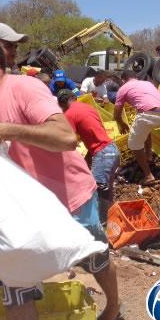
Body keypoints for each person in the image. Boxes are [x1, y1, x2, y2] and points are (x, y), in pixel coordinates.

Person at [0, 36, 121, 320]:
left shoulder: (24, 88)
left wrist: (6, 129)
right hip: (22, 212)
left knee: (95, 258)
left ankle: (113, 307)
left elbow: (65, 138)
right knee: (16, 286)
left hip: (69, 196)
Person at [58, 89, 120, 223]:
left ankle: (101, 223)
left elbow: (68, 140)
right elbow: (93, 132)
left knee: (98, 188)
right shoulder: (88, 107)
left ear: (62, 104)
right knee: (106, 190)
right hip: (112, 150)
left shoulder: (69, 113)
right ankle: (110, 219)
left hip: (103, 153)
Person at [114, 70, 160, 185]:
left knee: (134, 144)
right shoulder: (148, 84)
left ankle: (148, 175)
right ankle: (148, 157)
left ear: (123, 80)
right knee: (145, 130)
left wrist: (122, 124)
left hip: (148, 114)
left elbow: (116, 114)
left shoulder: (123, 88)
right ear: (135, 77)